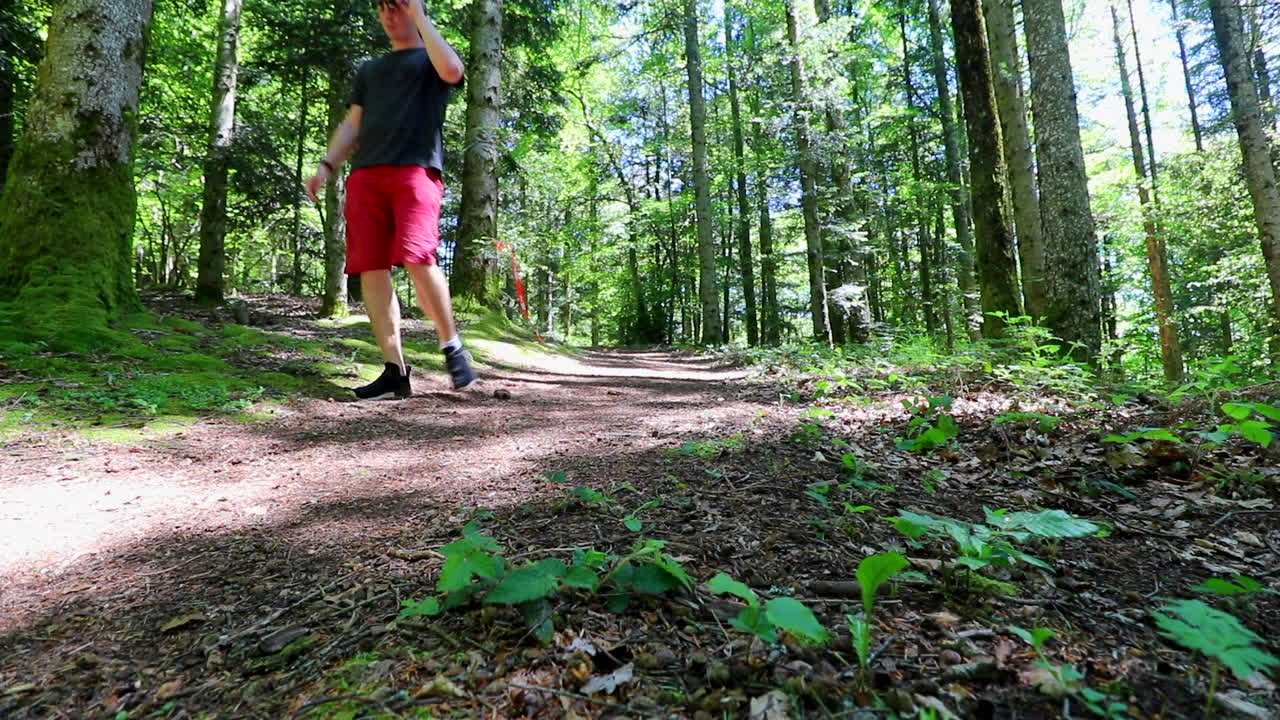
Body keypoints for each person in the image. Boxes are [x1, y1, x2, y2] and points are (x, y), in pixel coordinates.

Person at [305, 0, 476, 398]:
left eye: (397, 7)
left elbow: (453, 71)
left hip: (417, 172)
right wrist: (326, 166)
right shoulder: (371, 69)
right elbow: (353, 124)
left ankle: (452, 346)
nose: (389, 15)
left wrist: (420, 17)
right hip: (367, 176)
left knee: (418, 256)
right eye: (384, 9)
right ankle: (394, 372)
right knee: (372, 268)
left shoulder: (432, 59)